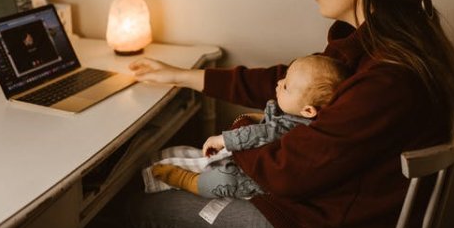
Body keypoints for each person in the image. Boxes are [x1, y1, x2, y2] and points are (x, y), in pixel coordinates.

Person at [121, 0, 454, 228]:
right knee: (170, 175)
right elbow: (293, 82)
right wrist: (185, 76)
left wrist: (245, 127)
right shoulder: (381, 43)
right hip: (324, 204)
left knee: (142, 208)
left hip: (319, 223)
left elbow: (282, 173)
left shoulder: (387, 81)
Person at [150, 54, 349, 199]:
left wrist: (222, 139)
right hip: (251, 158)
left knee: (225, 181)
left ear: (308, 111)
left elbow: (261, 132)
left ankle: (188, 181)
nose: (279, 83)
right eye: (285, 77)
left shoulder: (297, 129)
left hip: (257, 180)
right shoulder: (291, 111)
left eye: (286, 86)